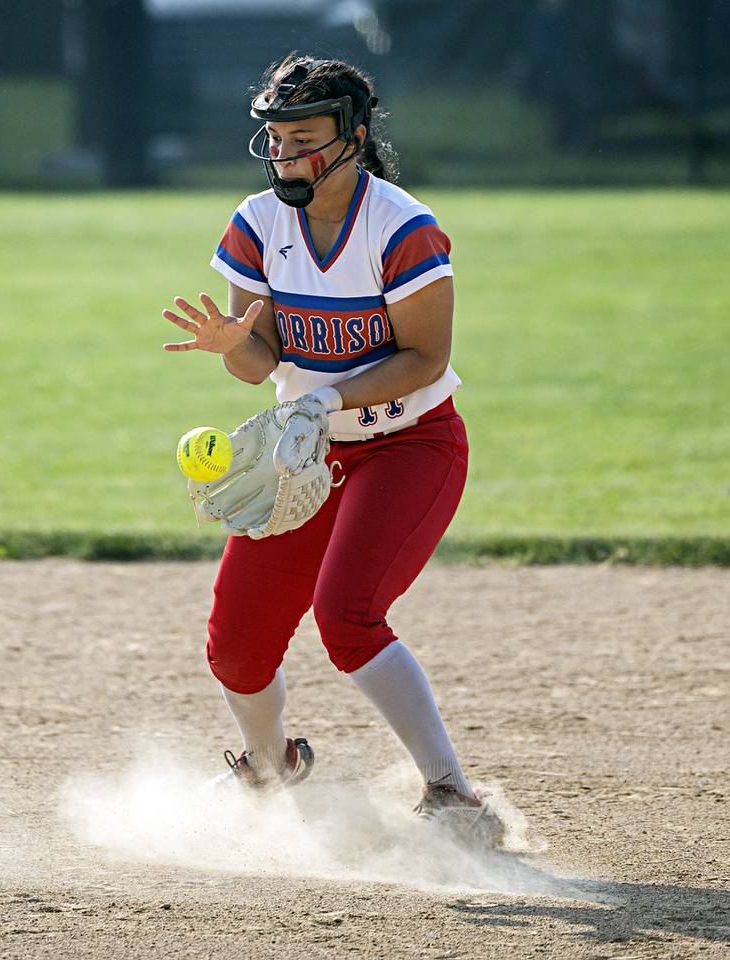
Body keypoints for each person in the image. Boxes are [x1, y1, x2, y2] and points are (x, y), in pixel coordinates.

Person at [161, 54, 502, 842]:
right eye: (276, 137)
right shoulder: (256, 223)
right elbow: (260, 364)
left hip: (409, 445)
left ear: (351, 136)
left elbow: (426, 360)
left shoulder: (403, 227)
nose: (285, 153)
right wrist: (231, 346)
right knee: (236, 648)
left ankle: (452, 794)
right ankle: (268, 766)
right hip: (306, 454)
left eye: (304, 136)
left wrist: (322, 396)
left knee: (347, 616)